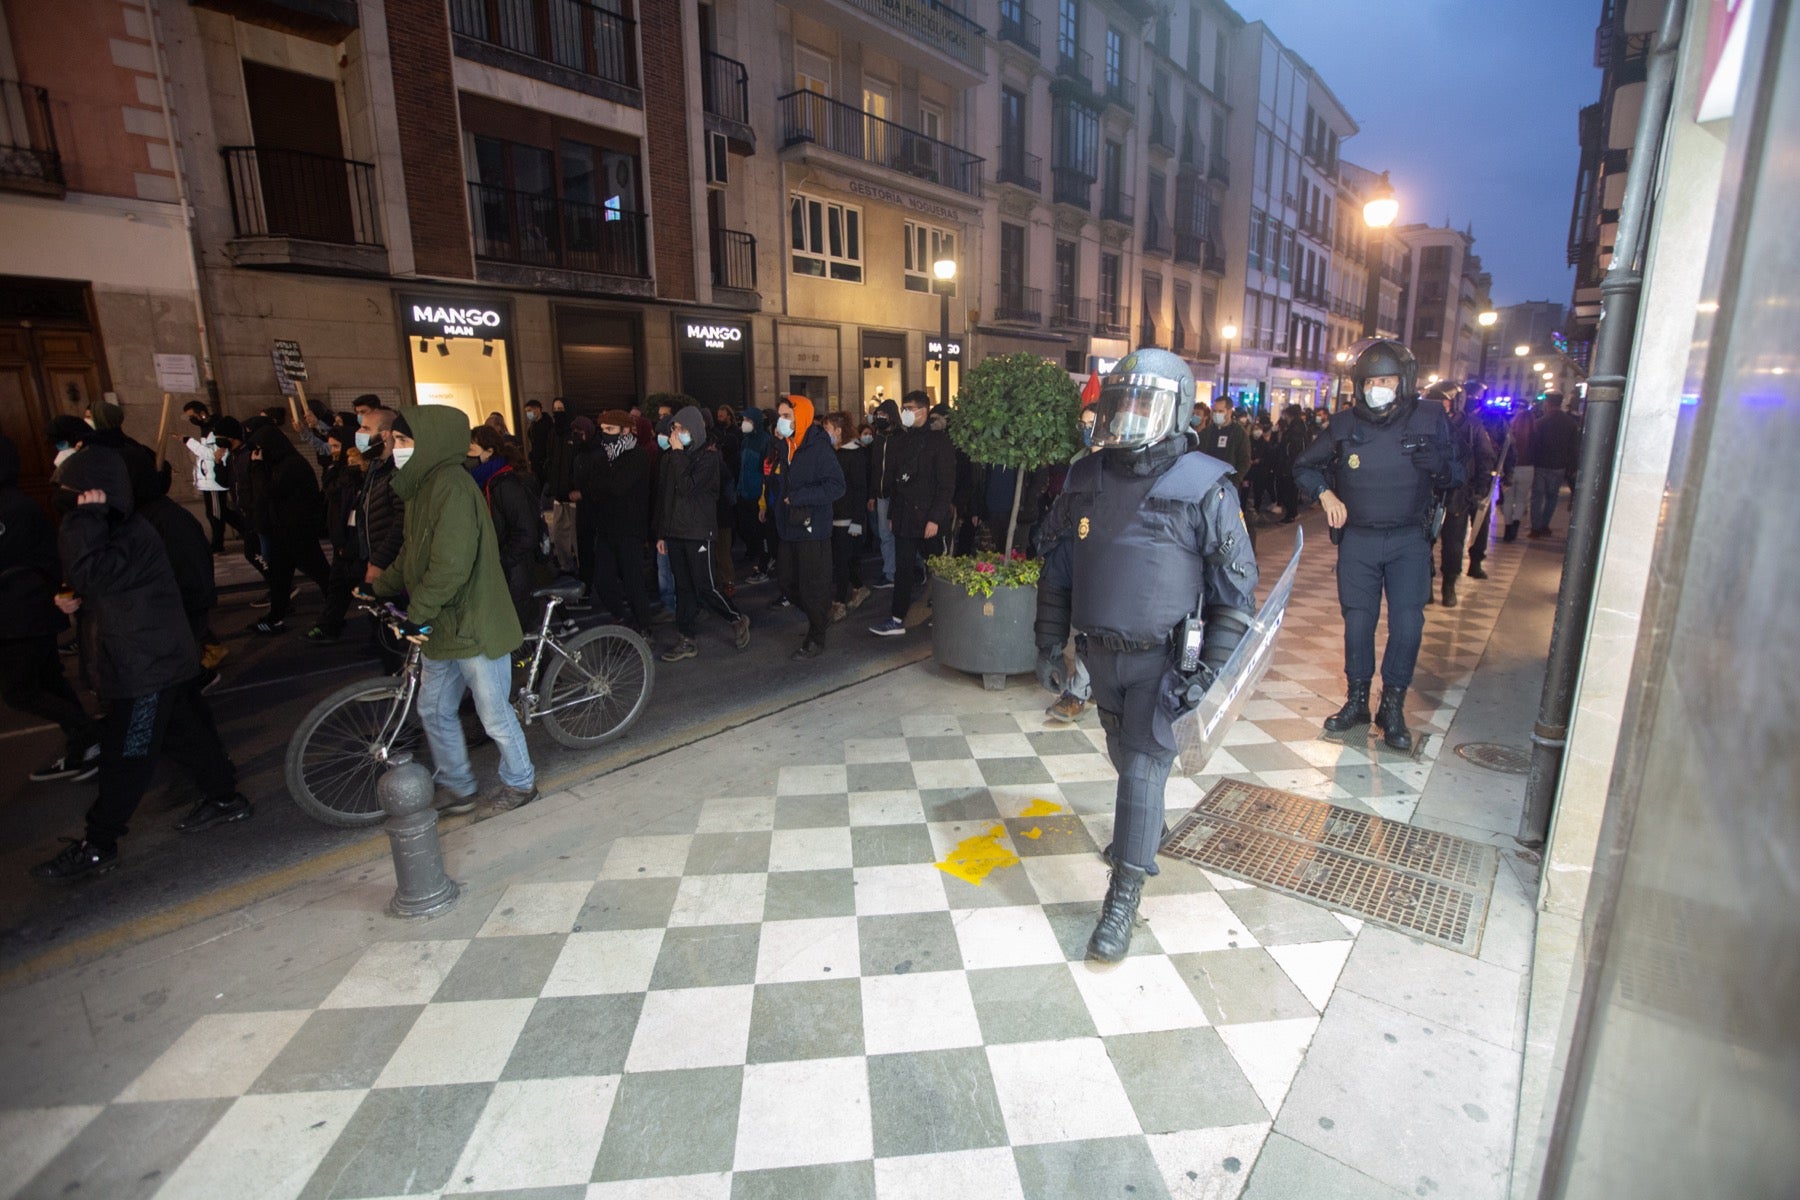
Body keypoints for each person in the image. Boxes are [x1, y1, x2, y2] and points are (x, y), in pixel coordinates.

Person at [1034, 349, 1257, 961]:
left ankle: (1123, 899)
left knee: (1142, 768)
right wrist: (1050, 643)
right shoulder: (1085, 477)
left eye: (1144, 403)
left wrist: (1207, 675)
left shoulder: (1206, 487)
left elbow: (1235, 596)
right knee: (1118, 746)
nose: (1129, 415)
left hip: (1165, 661)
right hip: (1100, 657)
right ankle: (1148, 826)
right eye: (1121, 401)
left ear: (1178, 409)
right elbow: (1056, 568)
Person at [31, 446, 249, 883]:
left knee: (127, 757)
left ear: (95, 494)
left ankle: (99, 843)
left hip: (147, 667)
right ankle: (225, 798)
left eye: (72, 494)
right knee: (185, 734)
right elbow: (96, 581)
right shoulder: (118, 530)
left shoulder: (126, 531)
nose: (65, 502)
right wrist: (76, 598)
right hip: (151, 660)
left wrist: (83, 520)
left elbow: (92, 572)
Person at [1292, 338, 1463, 752]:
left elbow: (1458, 473)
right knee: (1358, 623)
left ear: (1403, 382)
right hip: (1359, 541)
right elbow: (1303, 466)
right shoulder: (1345, 424)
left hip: (1408, 540)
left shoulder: (1429, 418)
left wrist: (1439, 467)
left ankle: (1392, 706)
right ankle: (1356, 702)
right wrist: (1325, 495)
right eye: (1369, 381)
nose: (1376, 388)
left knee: (1407, 624)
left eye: (1384, 379)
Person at [370, 406, 537, 815]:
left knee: (493, 712)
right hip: (442, 625)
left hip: (472, 622)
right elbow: (415, 553)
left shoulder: (452, 488)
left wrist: (418, 611)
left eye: (404, 441)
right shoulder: (421, 487)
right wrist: (378, 586)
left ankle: (520, 782)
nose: (395, 448)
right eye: (395, 441)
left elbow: (451, 564)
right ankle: (458, 785)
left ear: (430, 443)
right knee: (432, 707)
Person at [2, 434, 102, 783]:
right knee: (47, 681)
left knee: (19, 688)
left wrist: (63, 592)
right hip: (27, 609)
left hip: (20, 612)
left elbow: (46, 557)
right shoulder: (20, 506)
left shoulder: (13, 508)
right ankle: (84, 742)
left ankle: (87, 734)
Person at [652, 405, 750, 661]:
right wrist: (662, 533)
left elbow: (686, 488)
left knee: (705, 586)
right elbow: (666, 497)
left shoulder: (708, 459)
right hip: (675, 532)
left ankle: (737, 617)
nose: (675, 434)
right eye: (674, 429)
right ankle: (686, 638)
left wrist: (677, 454)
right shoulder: (671, 458)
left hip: (698, 531)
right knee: (682, 587)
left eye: (681, 429)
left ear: (694, 431)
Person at [869, 390, 953, 637]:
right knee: (904, 570)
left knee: (939, 570)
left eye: (909, 407)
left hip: (929, 519)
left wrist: (935, 519)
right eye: (903, 407)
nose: (905, 412)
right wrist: (893, 515)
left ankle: (945, 613)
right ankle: (896, 618)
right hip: (905, 516)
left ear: (923, 411)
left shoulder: (939, 442)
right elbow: (896, 481)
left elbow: (946, 485)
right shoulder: (902, 440)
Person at [768, 395, 844, 659]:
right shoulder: (786, 445)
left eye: (787, 415)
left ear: (801, 416)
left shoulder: (819, 448)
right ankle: (822, 615)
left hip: (813, 528)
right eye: (780, 415)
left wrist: (800, 497)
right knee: (787, 582)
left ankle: (817, 636)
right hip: (789, 526)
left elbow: (836, 486)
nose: (782, 420)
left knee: (813, 587)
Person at [247, 422, 331, 635]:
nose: (258, 454)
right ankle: (275, 617)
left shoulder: (292, 465)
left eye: (260, 449)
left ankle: (334, 614)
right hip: (282, 531)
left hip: (297, 530)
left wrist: (257, 467)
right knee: (279, 579)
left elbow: (269, 492)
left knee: (320, 572)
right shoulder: (279, 464)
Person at [1423, 382, 1495, 608]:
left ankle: (1449, 585)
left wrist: (1481, 488)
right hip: (1427, 493)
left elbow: (1484, 457)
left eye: (1442, 401)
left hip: (1456, 495)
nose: (1438, 406)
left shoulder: (1471, 425)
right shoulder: (1422, 424)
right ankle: (1425, 585)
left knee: (1453, 543)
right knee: (1423, 542)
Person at [584, 410, 653, 631]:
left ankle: (643, 627)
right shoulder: (602, 455)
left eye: (610, 430)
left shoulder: (638, 456)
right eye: (603, 430)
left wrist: (601, 481)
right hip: (605, 528)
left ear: (625, 430)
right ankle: (621, 617)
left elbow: (618, 487)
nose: (605, 435)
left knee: (633, 583)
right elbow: (591, 487)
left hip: (630, 529)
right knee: (602, 580)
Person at [469, 424, 542, 631]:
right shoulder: (487, 482)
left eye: (472, 449)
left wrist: (501, 561)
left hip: (514, 573)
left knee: (516, 631)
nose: (467, 456)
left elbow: (526, 533)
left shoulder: (504, 484)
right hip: (507, 570)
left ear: (489, 451)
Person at [308, 424, 367, 642]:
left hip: (358, 543)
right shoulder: (340, 475)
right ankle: (327, 626)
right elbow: (333, 499)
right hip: (343, 539)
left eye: (336, 446)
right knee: (338, 586)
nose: (333, 450)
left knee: (365, 589)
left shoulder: (365, 480)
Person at [823, 411, 870, 621]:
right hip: (832, 514)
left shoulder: (855, 454)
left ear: (839, 431)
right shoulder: (831, 452)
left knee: (841, 562)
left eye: (828, 429)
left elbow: (860, 488)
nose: (826, 433)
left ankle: (839, 603)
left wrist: (858, 520)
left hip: (848, 517)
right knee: (843, 560)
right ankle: (859, 587)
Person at [181, 400, 235, 553]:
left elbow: (213, 454)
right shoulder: (206, 429)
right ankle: (245, 530)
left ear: (202, 413)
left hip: (214, 479)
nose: (192, 420)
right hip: (208, 478)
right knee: (219, 511)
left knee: (216, 513)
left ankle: (218, 543)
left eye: (192, 416)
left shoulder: (215, 429)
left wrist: (188, 442)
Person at [1528, 393, 1581, 537]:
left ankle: (1535, 527)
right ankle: (1545, 525)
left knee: (1537, 497)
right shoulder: (1570, 423)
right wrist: (1572, 466)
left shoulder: (1540, 422)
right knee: (1552, 497)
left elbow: (1533, 444)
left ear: (1547, 404)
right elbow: (1573, 448)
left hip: (1540, 464)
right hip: (1559, 465)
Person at [866, 398, 902, 587]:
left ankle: (904, 569)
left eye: (883, 415)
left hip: (896, 494)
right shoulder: (878, 439)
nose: (880, 418)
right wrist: (872, 494)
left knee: (896, 533)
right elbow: (875, 468)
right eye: (878, 415)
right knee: (884, 534)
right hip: (880, 495)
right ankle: (890, 572)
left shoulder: (901, 438)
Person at [736, 409, 774, 583]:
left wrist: (763, 499)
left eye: (748, 419)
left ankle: (764, 565)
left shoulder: (765, 441)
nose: (744, 422)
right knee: (749, 530)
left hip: (758, 495)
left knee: (761, 534)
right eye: (744, 419)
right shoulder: (745, 441)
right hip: (745, 493)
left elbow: (766, 471)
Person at [1500, 401, 1536, 542]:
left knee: (1508, 499)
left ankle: (1507, 528)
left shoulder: (1511, 432)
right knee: (1521, 499)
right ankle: (1515, 525)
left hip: (1510, 469)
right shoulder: (1534, 433)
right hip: (1528, 468)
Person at [522, 398, 552, 478]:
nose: (528, 414)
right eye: (527, 412)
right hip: (536, 462)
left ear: (538, 409)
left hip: (544, 461)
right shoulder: (533, 426)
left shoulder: (547, 425)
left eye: (529, 410)